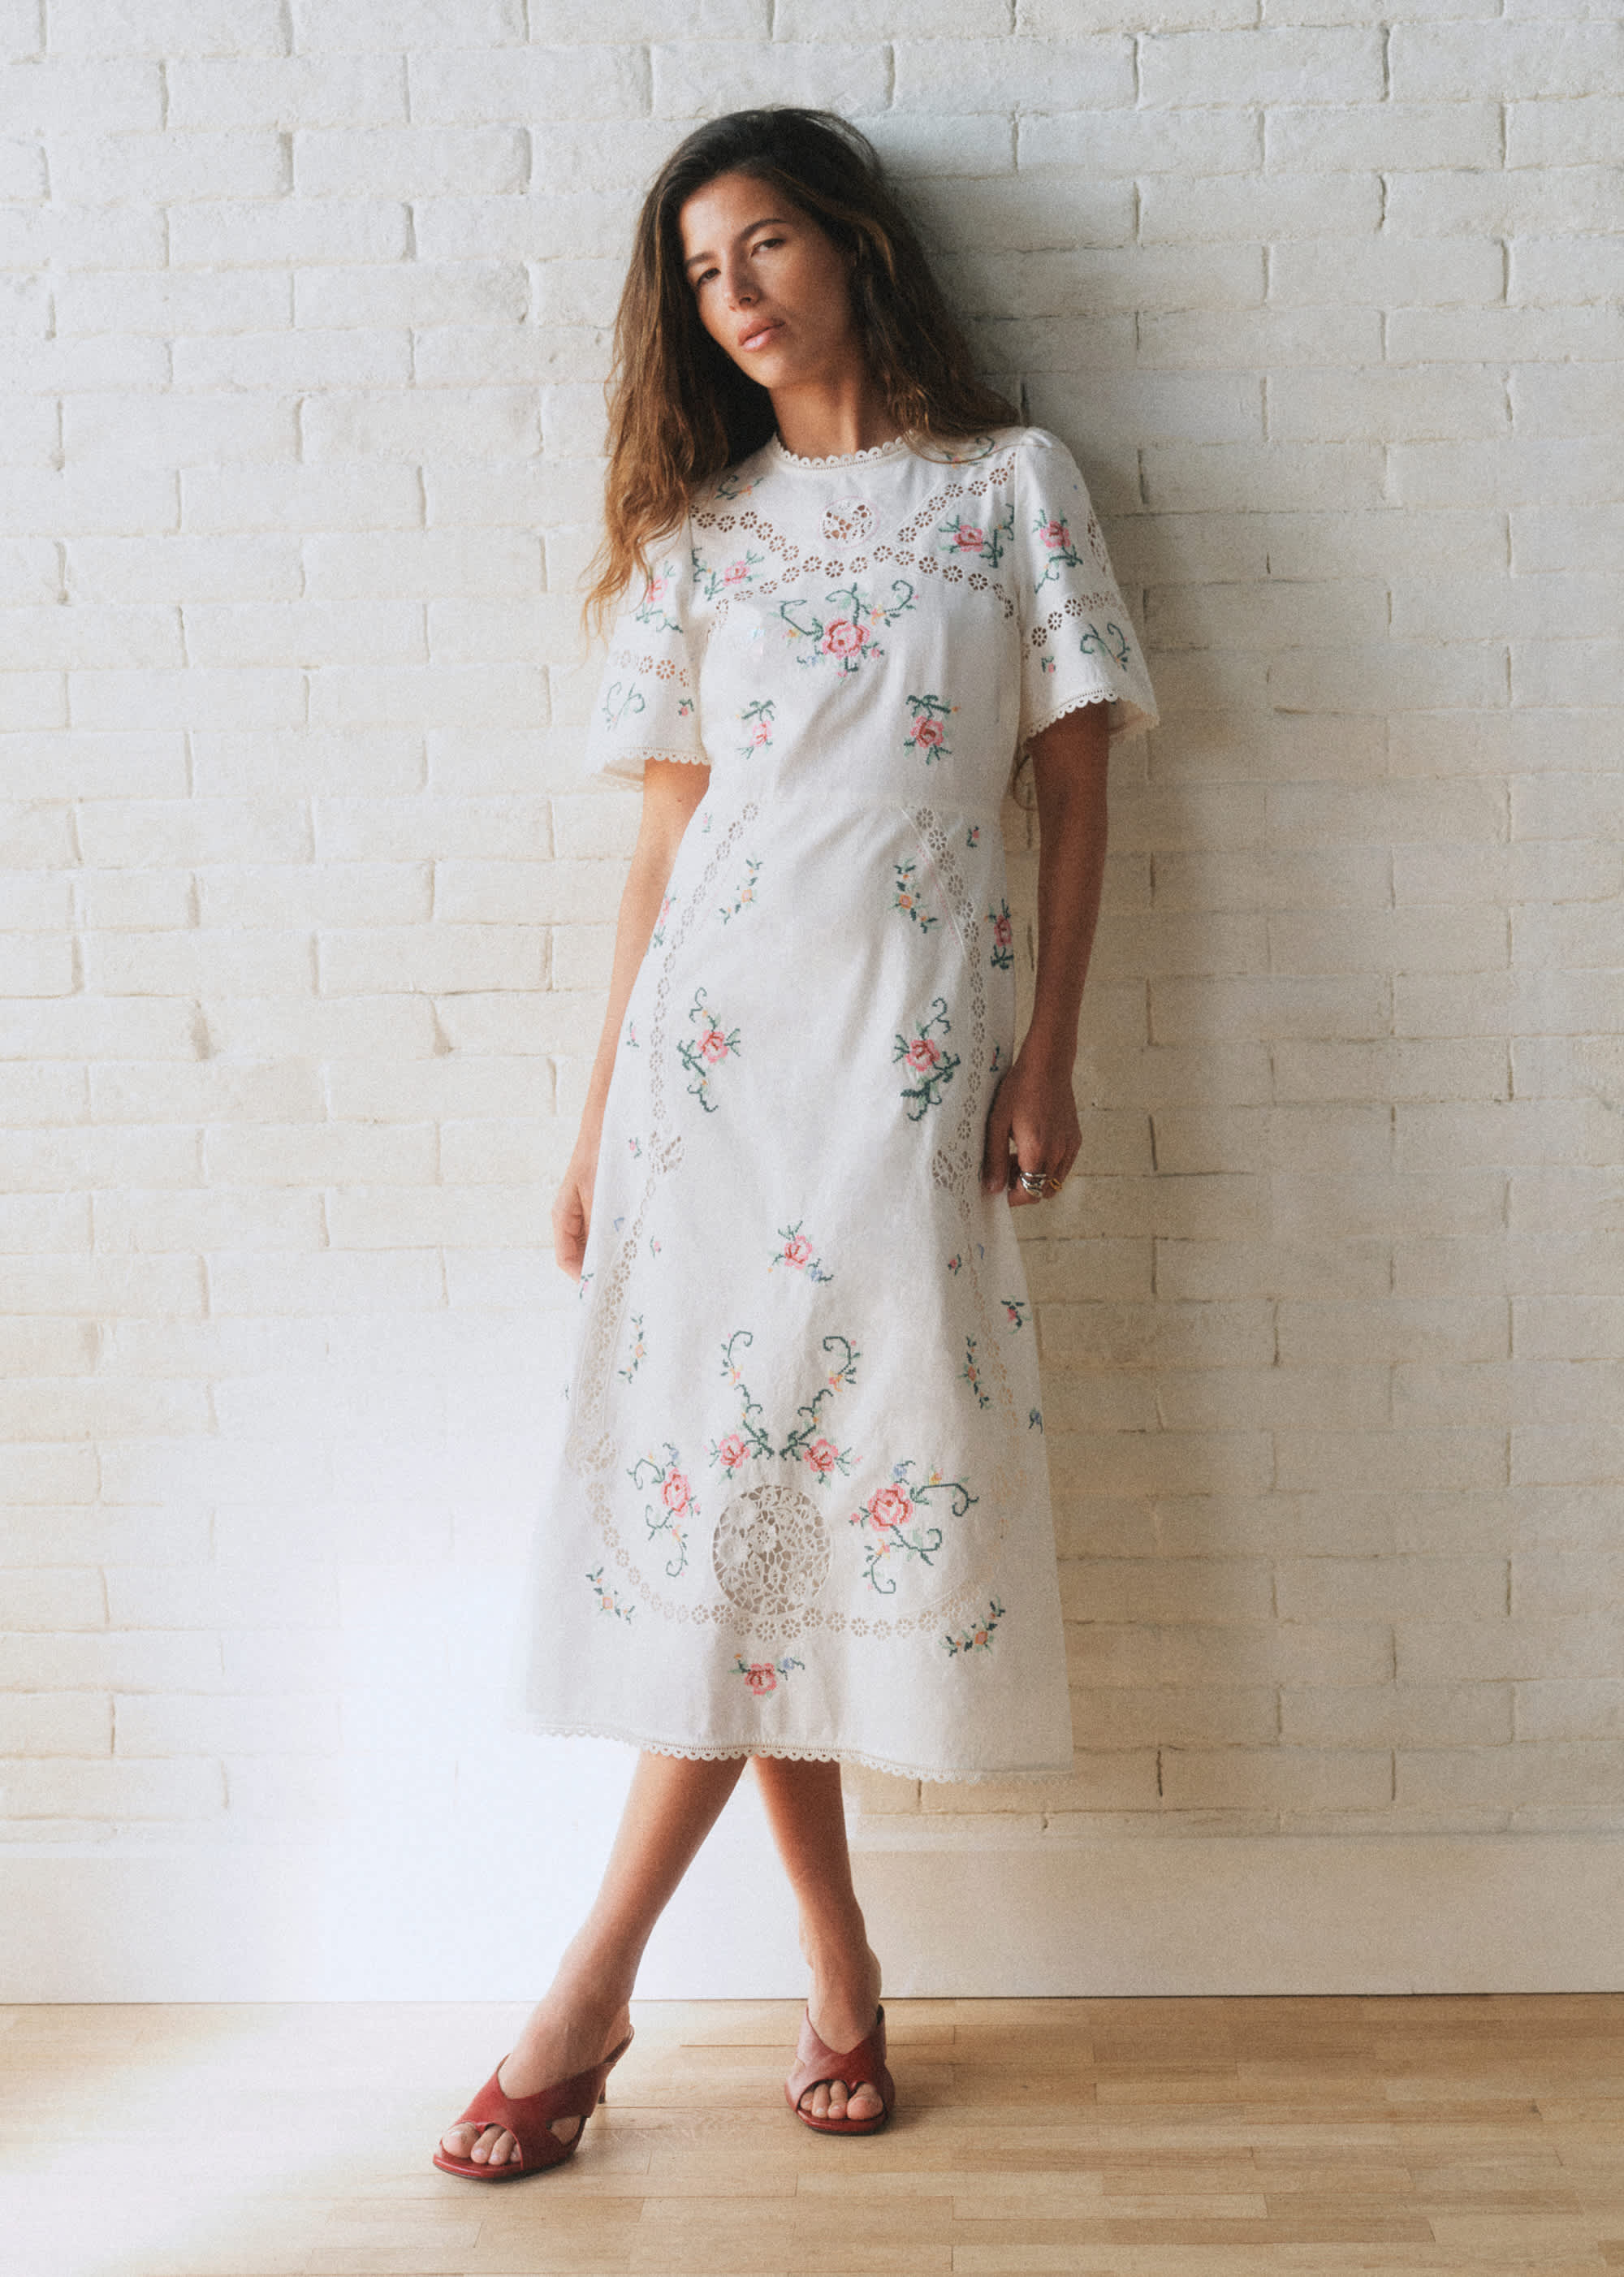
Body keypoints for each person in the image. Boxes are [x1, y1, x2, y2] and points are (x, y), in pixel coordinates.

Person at [434, 106, 1158, 2180]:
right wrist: (597, 1127)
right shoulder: (701, 539)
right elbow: (663, 856)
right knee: (763, 1504)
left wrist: (1048, 1054)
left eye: (760, 246)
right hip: (711, 1080)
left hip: (907, 1061)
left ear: (852, 247)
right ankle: (814, 1975)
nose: (732, 296)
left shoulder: (1008, 486)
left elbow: (1075, 795)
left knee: (788, 1492)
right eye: (697, 273)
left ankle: (596, 1995)